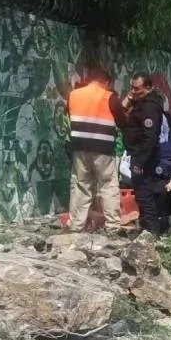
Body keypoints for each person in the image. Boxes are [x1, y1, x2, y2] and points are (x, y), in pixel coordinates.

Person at [66, 67, 128, 232]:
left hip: (79, 147)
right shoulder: (109, 96)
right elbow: (123, 122)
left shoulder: (74, 95)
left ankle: (75, 225)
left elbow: (69, 114)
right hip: (103, 149)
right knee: (108, 185)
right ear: (106, 82)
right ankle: (113, 227)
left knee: (81, 185)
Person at [121, 74, 167, 235]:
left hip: (144, 156)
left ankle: (150, 231)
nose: (133, 91)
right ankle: (149, 228)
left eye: (137, 88)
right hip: (141, 154)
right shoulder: (141, 102)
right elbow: (120, 111)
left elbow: (150, 136)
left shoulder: (149, 106)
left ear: (148, 88)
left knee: (144, 193)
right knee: (145, 193)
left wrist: (140, 161)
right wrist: (129, 97)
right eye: (132, 87)